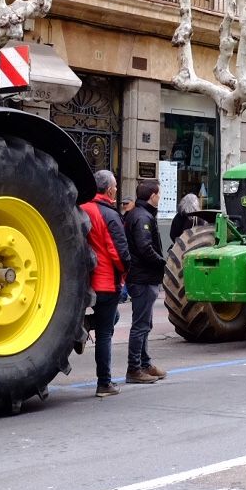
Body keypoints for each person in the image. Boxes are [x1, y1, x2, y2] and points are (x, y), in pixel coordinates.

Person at [80, 170, 131, 397]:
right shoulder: (108, 214)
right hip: (106, 283)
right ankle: (104, 383)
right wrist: (126, 272)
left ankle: (83, 324)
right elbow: (118, 253)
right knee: (105, 334)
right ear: (109, 189)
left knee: (111, 319)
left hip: (84, 282)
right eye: (116, 186)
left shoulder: (83, 208)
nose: (117, 190)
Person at [120, 179, 166, 385]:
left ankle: (145, 363)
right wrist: (162, 263)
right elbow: (145, 248)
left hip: (144, 276)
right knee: (140, 325)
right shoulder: (142, 217)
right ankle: (134, 367)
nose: (160, 197)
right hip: (143, 277)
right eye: (159, 194)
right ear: (152, 195)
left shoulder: (139, 215)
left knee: (145, 323)